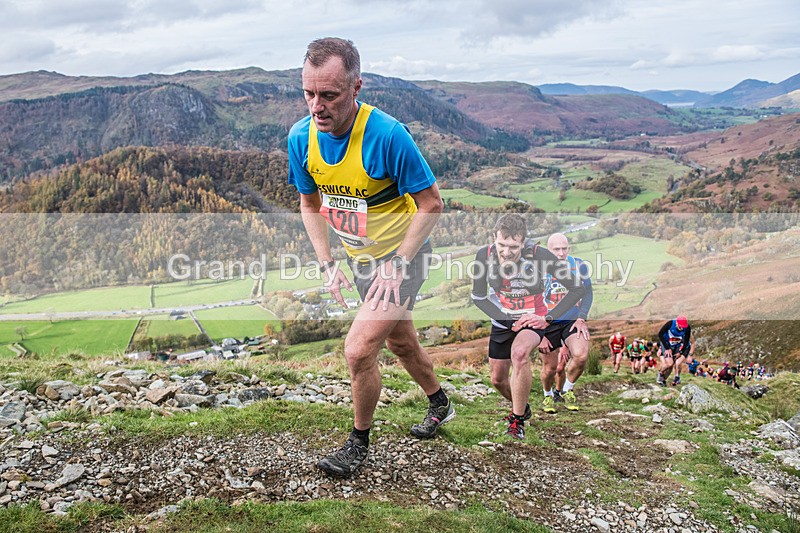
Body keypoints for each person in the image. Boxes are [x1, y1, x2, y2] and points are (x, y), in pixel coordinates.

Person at [288, 37, 452, 478]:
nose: (316, 106)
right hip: (362, 263)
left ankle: (357, 444)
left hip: (404, 258)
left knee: (359, 350)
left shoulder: (388, 136)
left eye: (329, 95)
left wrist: (398, 262)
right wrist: (328, 263)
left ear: (356, 86)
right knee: (400, 341)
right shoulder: (301, 138)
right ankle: (441, 402)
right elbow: (309, 204)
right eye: (308, 93)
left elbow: (432, 203)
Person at [471, 214, 586, 439]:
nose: (506, 252)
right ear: (494, 238)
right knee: (497, 379)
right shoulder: (483, 256)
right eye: (501, 245)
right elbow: (478, 297)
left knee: (520, 354)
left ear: (523, 242)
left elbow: (577, 289)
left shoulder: (540, 256)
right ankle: (521, 407)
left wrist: (548, 318)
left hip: (534, 319)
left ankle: (516, 420)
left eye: (513, 247)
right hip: (502, 320)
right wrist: (508, 321)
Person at [543, 233, 592, 411]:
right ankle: (547, 395)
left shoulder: (578, 265)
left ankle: (567, 389)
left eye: (564, 248)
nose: (561, 253)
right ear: (548, 250)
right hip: (547, 323)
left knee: (581, 355)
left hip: (571, 320)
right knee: (550, 368)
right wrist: (539, 333)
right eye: (556, 249)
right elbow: (531, 300)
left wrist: (582, 317)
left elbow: (588, 292)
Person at [656, 315, 691, 387]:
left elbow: (686, 342)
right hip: (666, 344)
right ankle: (660, 373)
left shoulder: (687, 328)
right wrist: (667, 348)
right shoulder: (670, 323)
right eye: (680, 326)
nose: (682, 328)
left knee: (671, 367)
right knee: (669, 363)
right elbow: (660, 334)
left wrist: (680, 353)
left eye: (683, 327)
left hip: (676, 345)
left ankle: (663, 380)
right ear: (677, 323)